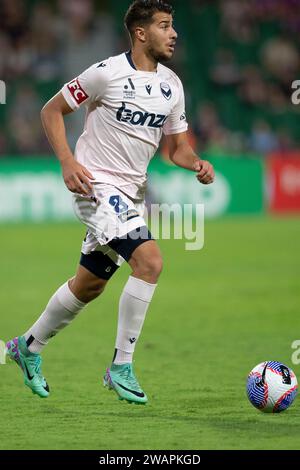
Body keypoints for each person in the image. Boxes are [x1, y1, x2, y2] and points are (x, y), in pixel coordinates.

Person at [6, 0, 214, 405]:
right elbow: (51, 110)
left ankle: (26, 347)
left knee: (89, 285)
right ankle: (121, 366)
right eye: (165, 26)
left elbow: (176, 149)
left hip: (129, 195)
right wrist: (67, 161)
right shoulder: (106, 74)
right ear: (141, 33)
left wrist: (196, 164)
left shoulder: (172, 84)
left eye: (173, 26)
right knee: (150, 261)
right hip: (95, 186)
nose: (174, 34)